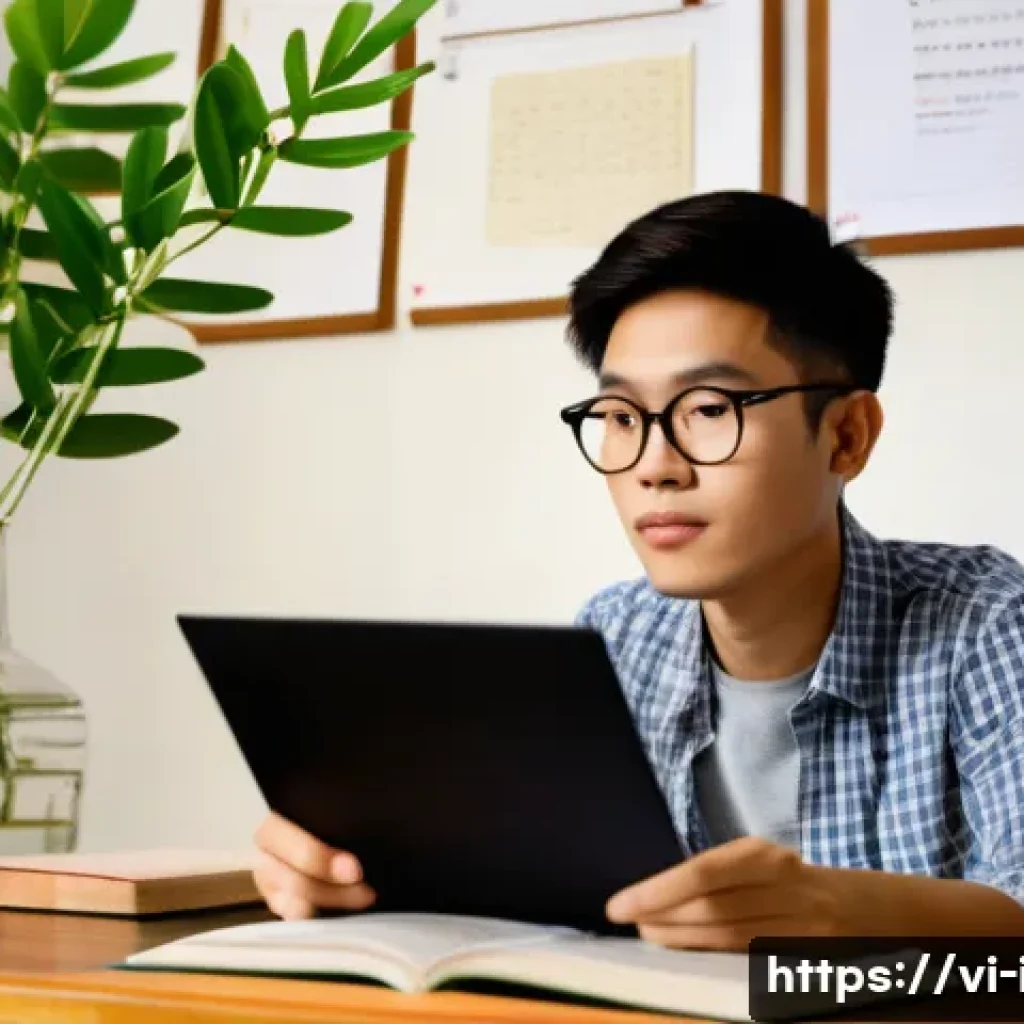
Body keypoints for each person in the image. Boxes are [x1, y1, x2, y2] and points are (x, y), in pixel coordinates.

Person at [251, 191, 1024, 948]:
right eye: (621, 418)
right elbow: (547, 906)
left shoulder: (986, 625)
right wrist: (349, 877)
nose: (655, 466)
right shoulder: (614, 639)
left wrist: (840, 917)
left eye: (710, 409)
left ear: (846, 437)